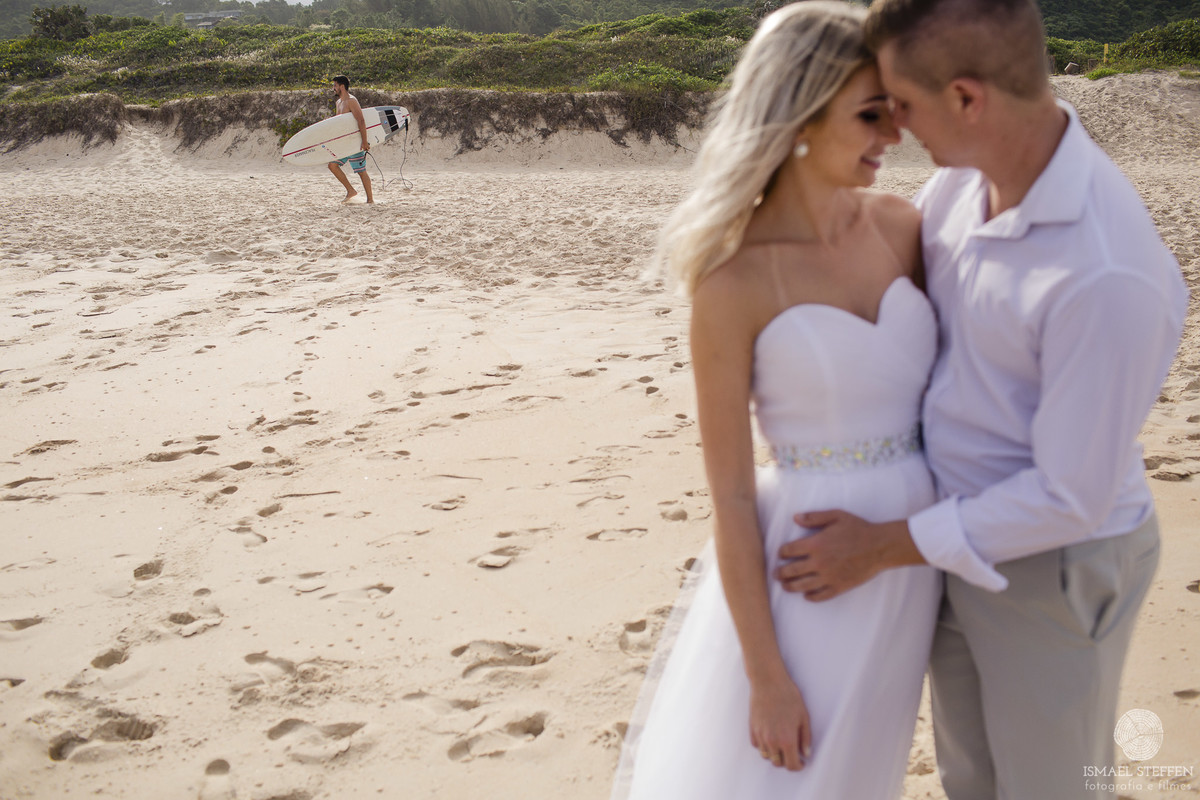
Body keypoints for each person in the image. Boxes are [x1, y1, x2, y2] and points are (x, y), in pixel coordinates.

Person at [773, 1, 1188, 798]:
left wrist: (884, 544)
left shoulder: (1105, 271)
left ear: (966, 98)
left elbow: (1070, 497)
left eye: (902, 103)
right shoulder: (960, 186)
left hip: (1055, 568)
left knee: (1050, 788)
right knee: (973, 781)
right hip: (946, 543)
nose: (893, 128)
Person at [610, 3, 942, 798]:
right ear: (800, 113)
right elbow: (727, 494)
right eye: (870, 114)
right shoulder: (731, 282)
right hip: (806, 577)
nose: (893, 135)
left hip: (914, 564)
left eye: (893, 111)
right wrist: (767, 676)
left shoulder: (904, 229)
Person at [328, 75, 374, 204]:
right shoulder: (339, 102)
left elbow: (361, 120)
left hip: (354, 142)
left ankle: (370, 200)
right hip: (344, 143)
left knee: (361, 171)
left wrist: (364, 141)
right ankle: (351, 190)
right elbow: (339, 123)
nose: (333, 88)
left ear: (342, 86)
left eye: (335, 86)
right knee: (332, 165)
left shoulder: (351, 101)